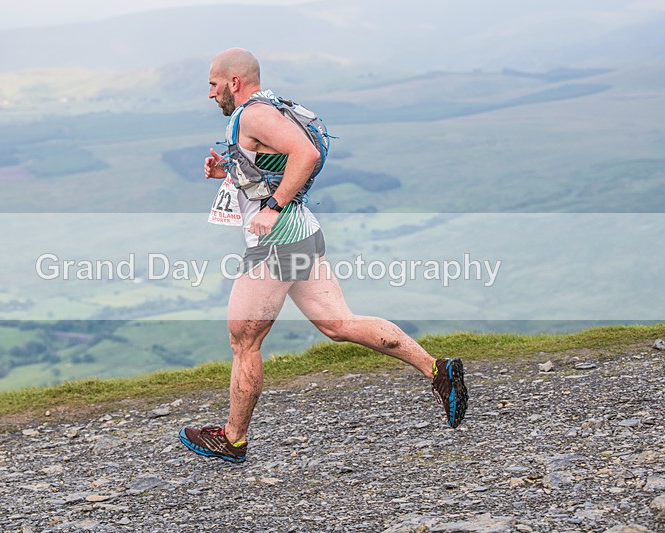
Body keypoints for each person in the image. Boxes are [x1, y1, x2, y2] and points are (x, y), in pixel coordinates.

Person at [179, 48, 468, 463]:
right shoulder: (265, 108)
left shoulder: (254, 115)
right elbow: (272, 167)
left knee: (244, 341)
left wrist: (273, 207)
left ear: (234, 82)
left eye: (213, 84)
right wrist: (226, 173)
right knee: (338, 323)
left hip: (278, 242)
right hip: (301, 233)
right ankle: (438, 371)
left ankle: (233, 439)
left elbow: (307, 154)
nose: (210, 93)